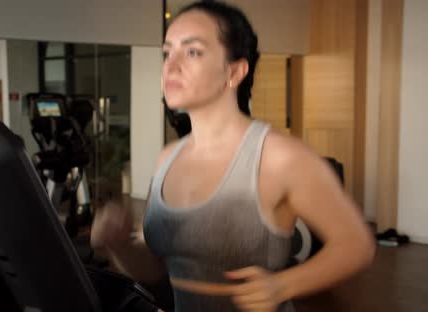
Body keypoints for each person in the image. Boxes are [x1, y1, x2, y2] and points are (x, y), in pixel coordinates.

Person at [90, 2, 375, 311]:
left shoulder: (279, 156)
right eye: (167, 52)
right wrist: (118, 245)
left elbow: (356, 244)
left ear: (235, 71)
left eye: (193, 52)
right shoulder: (167, 158)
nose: (170, 66)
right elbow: (156, 270)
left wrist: (283, 285)